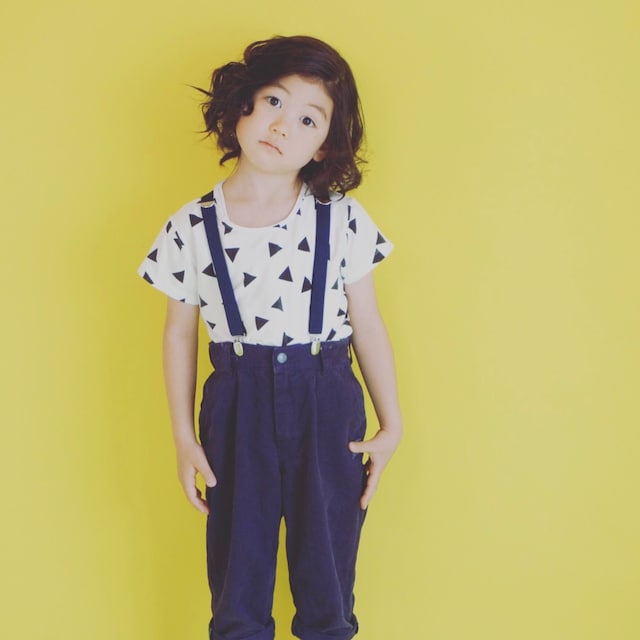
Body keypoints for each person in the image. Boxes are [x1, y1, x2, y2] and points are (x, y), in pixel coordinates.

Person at [138, 35, 402, 640]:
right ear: (242, 104)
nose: (283, 125)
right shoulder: (190, 226)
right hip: (238, 404)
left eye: (309, 119)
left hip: (326, 398)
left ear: (324, 145)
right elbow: (179, 336)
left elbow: (368, 323)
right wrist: (183, 436)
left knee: (328, 587)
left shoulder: (341, 216)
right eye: (274, 102)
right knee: (237, 587)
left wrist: (392, 424)